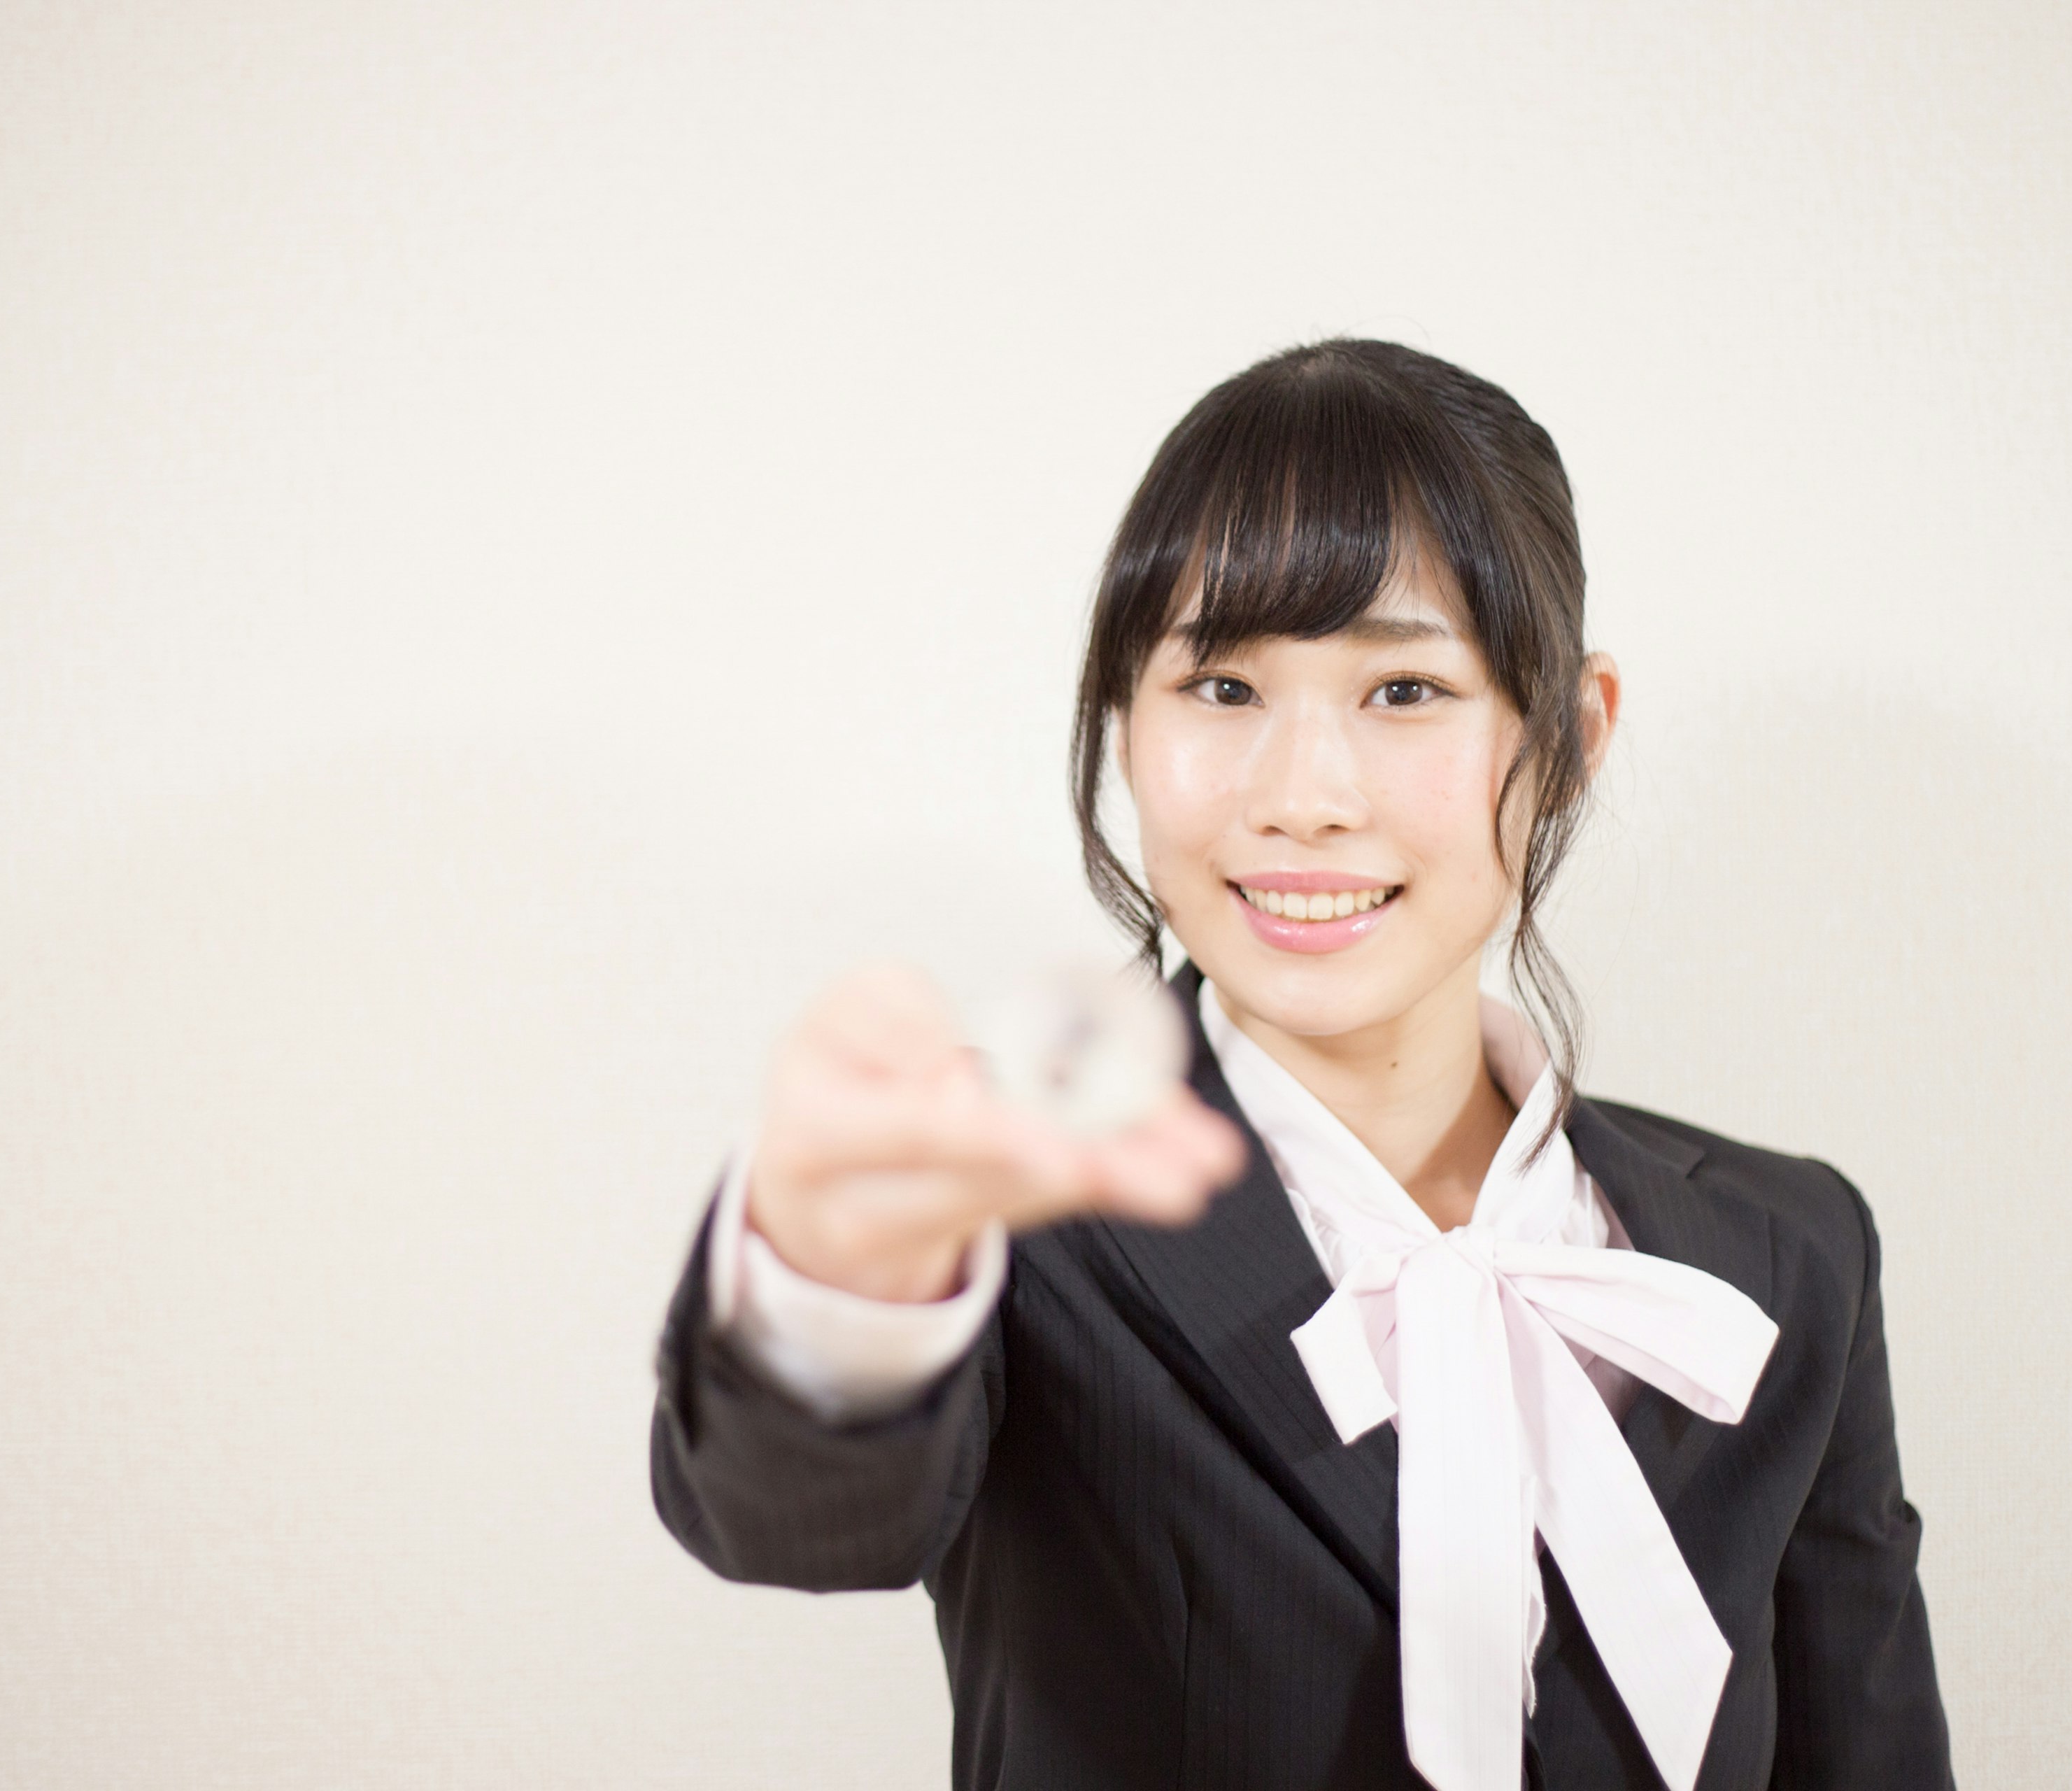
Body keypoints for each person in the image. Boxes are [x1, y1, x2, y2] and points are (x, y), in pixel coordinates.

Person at [648, 339, 1954, 1790]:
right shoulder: (1011, 1201)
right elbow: (796, 1518)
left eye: (1405, 690)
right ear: (1123, 728)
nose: (1303, 798)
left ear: (1571, 737)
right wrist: (836, 1277)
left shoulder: (1788, 1251)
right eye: (1219, 687)